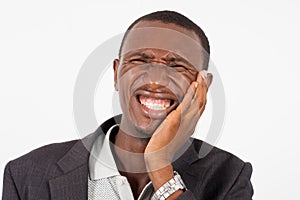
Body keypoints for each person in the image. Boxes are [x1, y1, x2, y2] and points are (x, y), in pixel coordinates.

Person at [2, 10, 253, 200]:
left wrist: (160, 167)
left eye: (177, 66)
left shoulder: (229, 177)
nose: (155, 80)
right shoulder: (26, 174)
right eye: (140, 61)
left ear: (202, 86)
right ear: (116, 74)